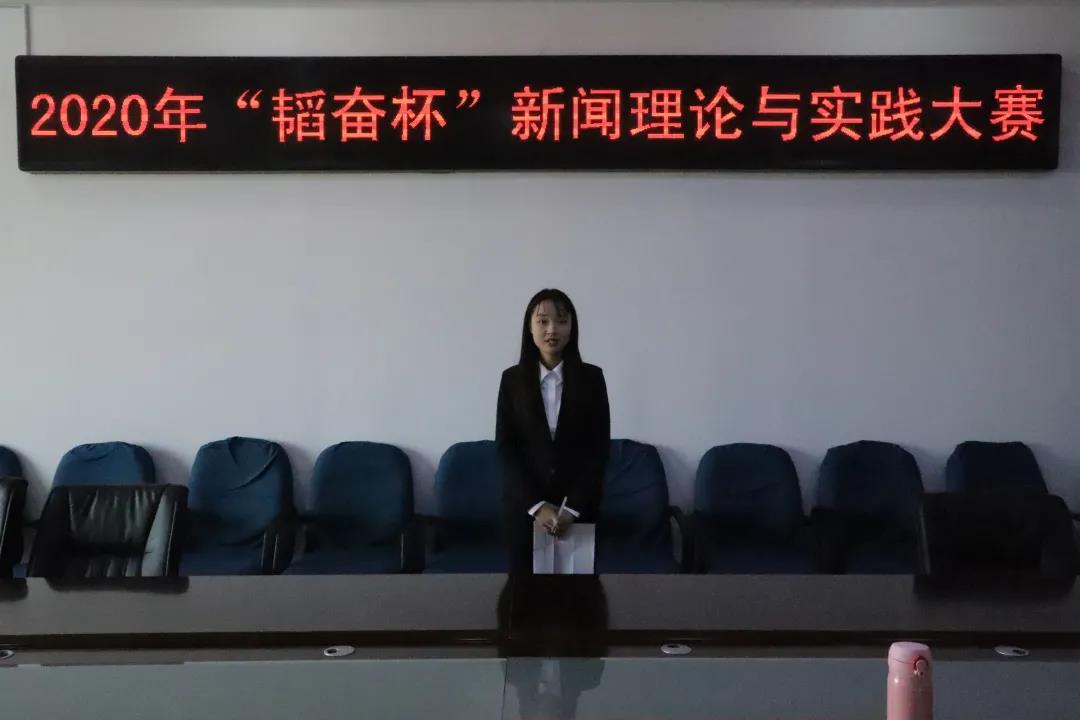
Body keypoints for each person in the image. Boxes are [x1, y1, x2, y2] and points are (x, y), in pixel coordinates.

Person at [496, 288, 610, 573]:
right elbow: (506, 450)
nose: (552, 330)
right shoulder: (511, 381)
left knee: (580, 596)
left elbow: (598, 450)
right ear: (529, 328)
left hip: (578, 513)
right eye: (542, 321)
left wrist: (571, 509)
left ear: (572, 327)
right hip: (526, 514)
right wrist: (537, 506)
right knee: (523, 596)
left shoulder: (592, 379)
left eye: (561, 321)